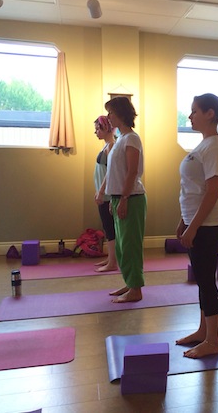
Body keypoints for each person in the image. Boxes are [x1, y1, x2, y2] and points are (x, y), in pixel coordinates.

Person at [175, 93, 218, 359]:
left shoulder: (215, 148)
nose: (190, 116)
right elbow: (192, 189)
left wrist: (193, 227)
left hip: (210, 224)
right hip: (198, 223)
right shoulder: (205, 146)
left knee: (207, 282)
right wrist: (184, 222)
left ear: (210, 114)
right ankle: (203, 331)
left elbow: (212, 192)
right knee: (202, 280)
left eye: (194, 111)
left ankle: (214, 342)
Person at [96, 97, 146, 303]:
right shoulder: (119, 140)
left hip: (132, 198)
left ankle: (136, 290)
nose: (109, 117)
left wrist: (124, 198)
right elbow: (115, 172)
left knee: (130, 245)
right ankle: (129, 283)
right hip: (119, 197)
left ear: (122, 115)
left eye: (111, 113)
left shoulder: (132, 139)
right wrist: (112, 198)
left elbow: (132, 171)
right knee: (121, 247)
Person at [93, 115, 119, 272]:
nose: (95, 132)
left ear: (106, 128)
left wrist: (101, 191)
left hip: (108, 195)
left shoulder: (112, 146)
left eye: (98, 128)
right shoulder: (106, 146)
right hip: (102, 194)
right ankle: (110, 258)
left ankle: (113, 263)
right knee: (107, 227)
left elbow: (111, 172)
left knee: (110, 229)